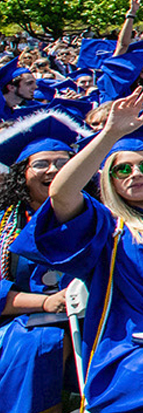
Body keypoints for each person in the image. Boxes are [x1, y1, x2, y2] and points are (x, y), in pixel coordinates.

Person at [18, 89, 143, 413]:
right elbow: (61, 194)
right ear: (108, 179)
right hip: (133, 353)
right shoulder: (105, 227)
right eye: (122, 169)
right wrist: (110, 134)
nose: (136, 174)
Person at [0, 110, 86, 413]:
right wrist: (45, 303)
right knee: (39, 342)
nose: (54, 171)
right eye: (41, 164)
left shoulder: (97, 217)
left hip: (93, 317)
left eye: (64, 164)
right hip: (17, 321)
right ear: (22, 172)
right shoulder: (4, 224)